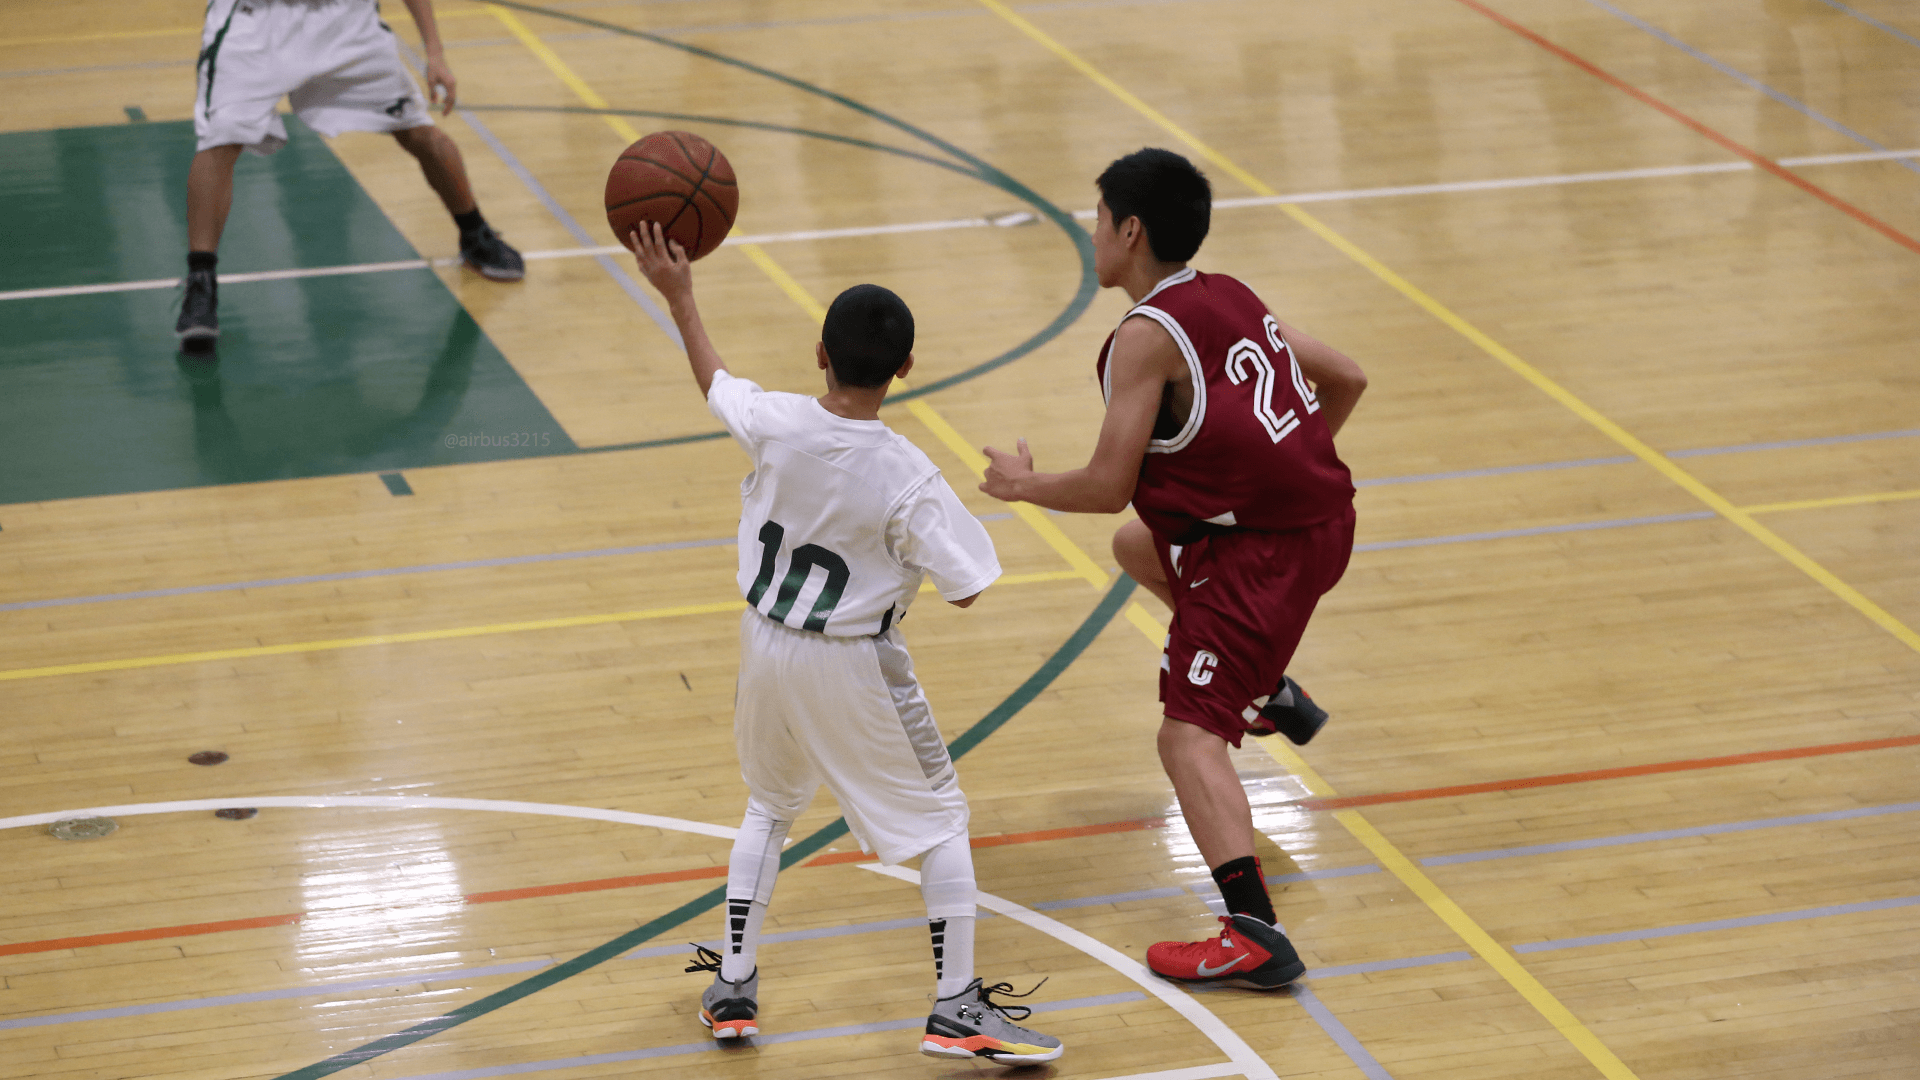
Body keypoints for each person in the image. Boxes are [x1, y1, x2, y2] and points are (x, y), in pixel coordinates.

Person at [626, 221, 1064, 1065]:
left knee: (769, 806)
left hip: (764, 645)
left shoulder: (775, 422)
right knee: (941, 820)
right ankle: (956, 1007)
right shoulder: (908, 475)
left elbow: (715, 380)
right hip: (853, 662)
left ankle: (735, 985)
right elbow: (969, 587)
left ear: (819, 354)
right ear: (906, 367)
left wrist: (680, 295)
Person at [978, 148, 1367, 989]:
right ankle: (1264, 688)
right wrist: (1287, 470)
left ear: (1130, 230)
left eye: (1097, 218)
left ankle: (1253, 933)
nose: (1090, 233)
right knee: (1138, 549)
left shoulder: (1144, 339)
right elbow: (1346, 377)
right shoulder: (1228, 295)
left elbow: (1107, 486)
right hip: (1322, 524)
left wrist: (1023, 486)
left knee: (1187, 737)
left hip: (1265, 556)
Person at [178, 0, 523, 347]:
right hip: (257, 23)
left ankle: (475, 233)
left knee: (417, 129)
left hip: (346, 19)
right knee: (221, 138)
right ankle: (200, 281)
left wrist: (435, 53)